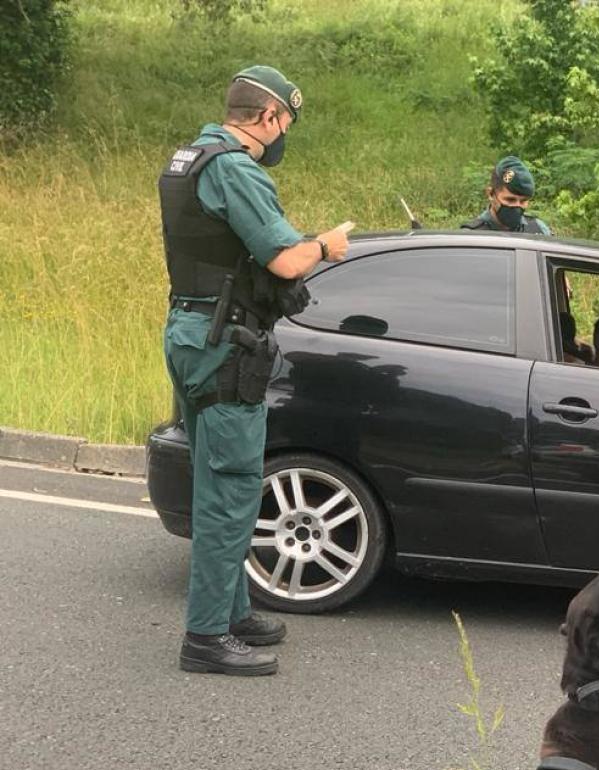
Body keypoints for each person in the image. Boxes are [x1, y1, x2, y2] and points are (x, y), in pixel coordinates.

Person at [159, 65, 350, 676]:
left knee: (214, 476)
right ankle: (207, 638)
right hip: (223, 342)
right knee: (234, 486)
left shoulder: (189, 158)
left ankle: (232, 609)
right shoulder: (235, 169)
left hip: (192, 330)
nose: (284, 134)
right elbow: (287, 259)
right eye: (285, 122)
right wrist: (326, 244)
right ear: (267, 118)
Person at [461, 155, 552, 234]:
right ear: (490, 194)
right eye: (510, 200)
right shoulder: (471, 237)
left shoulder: (539, 230)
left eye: (523, 201)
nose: (517, 206)